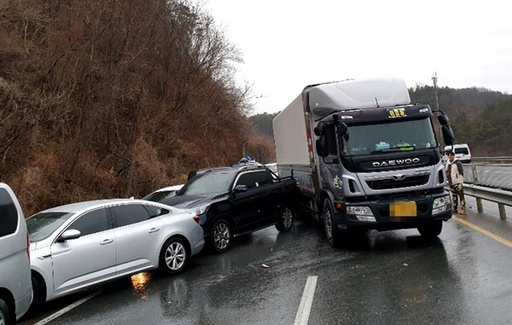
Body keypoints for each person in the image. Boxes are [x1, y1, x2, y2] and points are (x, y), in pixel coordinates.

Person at [446, 151, 466, 215]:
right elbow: (446, 171)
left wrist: (460, 181)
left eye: (451, 156)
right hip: (451, 182)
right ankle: (455, 208)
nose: (450, 157)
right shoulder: (448, 163)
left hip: (457, 182)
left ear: (453, 156)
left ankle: (463, 208)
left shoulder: (457, 163)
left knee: (461, 195)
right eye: (449, 156)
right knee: (454, 196)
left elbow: (461, 172)